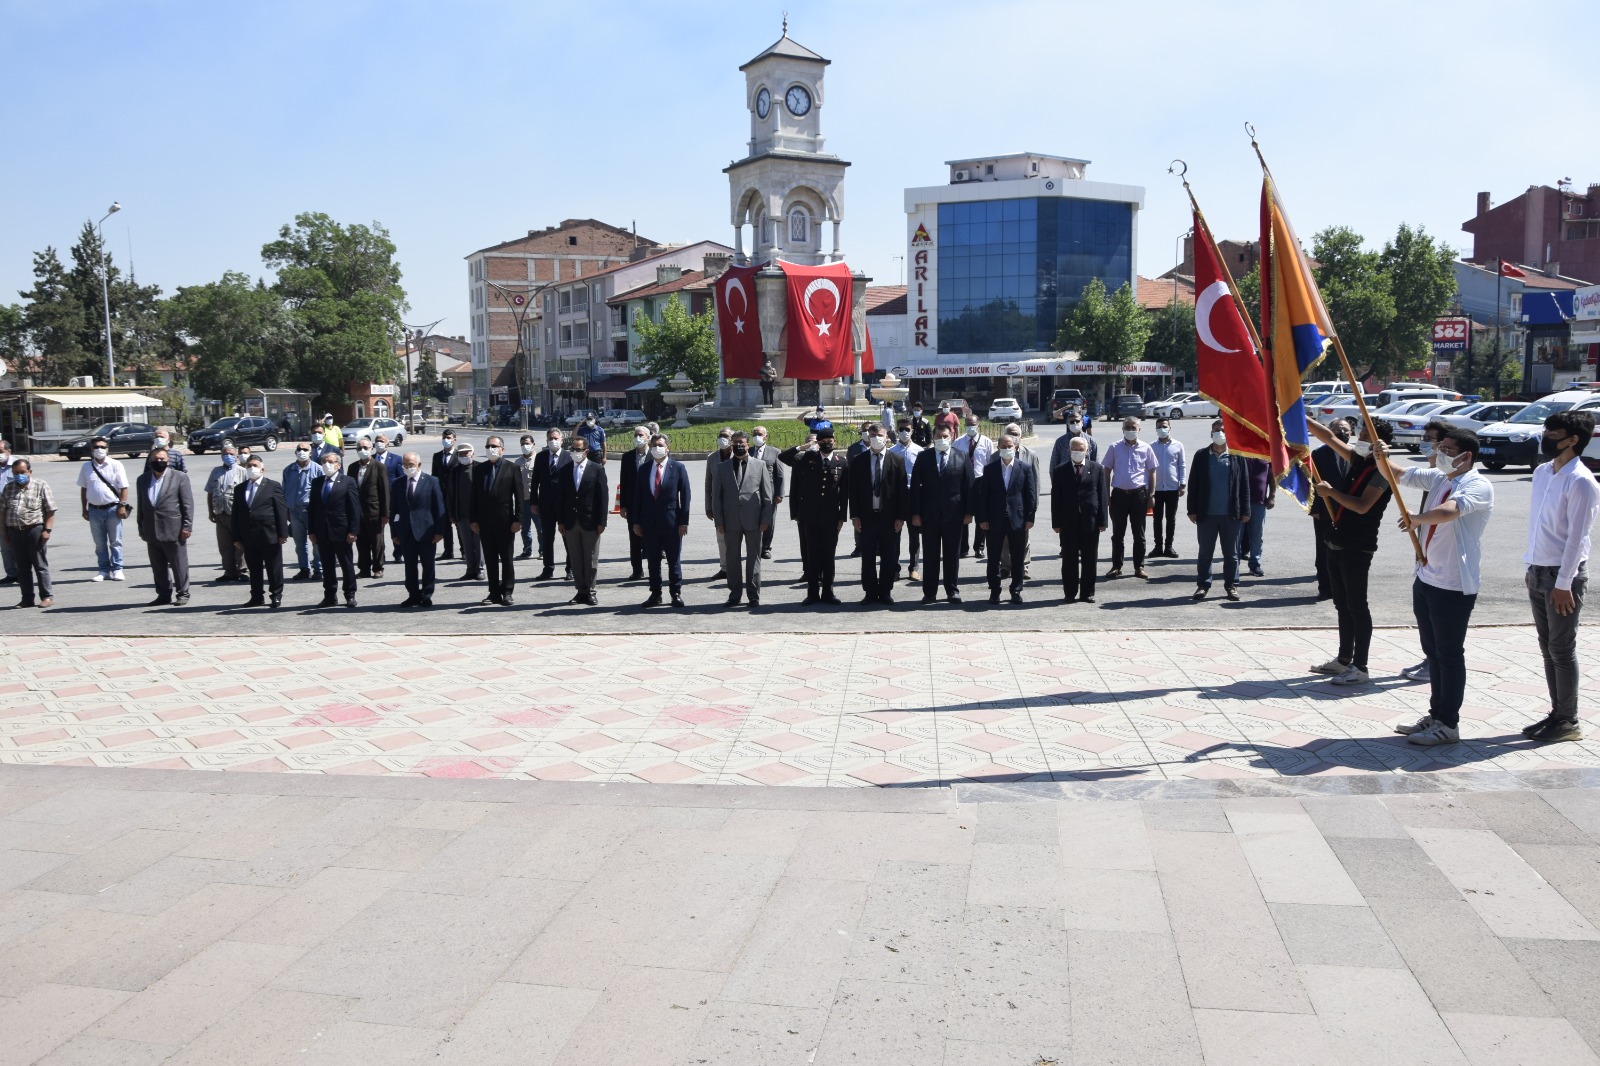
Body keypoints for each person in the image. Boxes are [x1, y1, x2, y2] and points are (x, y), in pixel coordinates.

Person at [1373, 428, 1494, 747]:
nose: (1440, 452)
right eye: (1440, 447)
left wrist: (1418, 518)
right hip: (1427, 576)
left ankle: (1449, 723)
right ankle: (1436, 715)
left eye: (1447, 449)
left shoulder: (1477, 484)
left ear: (1466, 456)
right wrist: (1380, 456)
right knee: (1433, 653)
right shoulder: (1441, 477)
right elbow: (1397, 474)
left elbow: (1451, 511)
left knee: (1450, 653)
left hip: (1454, 583)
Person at [1520, 410, 1600, 743]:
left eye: (1554, 434)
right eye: (1546, 431)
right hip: (1537, 571)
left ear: (1573, 440)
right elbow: (1540, 526)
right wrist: (1529, 566)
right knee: (1547, 647)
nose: (1546, 438)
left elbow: (1578, 537)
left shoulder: (1582, 481)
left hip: (1562, 577)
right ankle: (1556, 713)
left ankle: (1568, 720)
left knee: (1562, 649)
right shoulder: (1542, 472)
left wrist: (1564, 584)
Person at [1308, 418, 1395, 686]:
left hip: (1358, 544)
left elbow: (1362, 506)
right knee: (1341, 604)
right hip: (1337, 539)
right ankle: (1344, 659)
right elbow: (1328, 438)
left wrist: (1331, 493)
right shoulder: (1358, 459)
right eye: (1361, 433)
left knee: (1357, 606)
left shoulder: (1383, 471)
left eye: (1368, 435)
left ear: (1381, 442)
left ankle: (1361, 666)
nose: (1360, 438)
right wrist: (1297, 409)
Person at [1398, 420, 1452, 681]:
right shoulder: (1433, 475)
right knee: (1424, 614)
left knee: (1437, 618)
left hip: (1443, 561)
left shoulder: (1450, 479)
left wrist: (1418, 519)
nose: (1426, 443)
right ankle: (1429, 658)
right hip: (1424, 550)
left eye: (1431, 439)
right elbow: (1398, 473)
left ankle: (1436, 663)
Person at [780, 421, 849, 605]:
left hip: (831, 517)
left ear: (834, 441)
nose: (827, 443)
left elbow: (845, 493)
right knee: (812, 555)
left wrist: (842, 517)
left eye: (830, 440)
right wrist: (802, 447)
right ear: (818, 442)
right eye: (823, 440)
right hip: (809, 516)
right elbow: (783, 457)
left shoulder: (841, 462)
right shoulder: (806, 459)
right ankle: (812, 593)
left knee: (829, 555)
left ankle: (828, 591)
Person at [1186, 420, 1250, 602]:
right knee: (1205, 553)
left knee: (1232, 554)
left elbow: (1245, 485)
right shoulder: (1201, 456)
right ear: (1211, 433)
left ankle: (1231, 585)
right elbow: (1194, 484)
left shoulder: (1237, 456)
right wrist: (1192, 510)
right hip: (1207, 514)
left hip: (1232, 515)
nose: (1220, 433)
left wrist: (1245, 511)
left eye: (1223, 431)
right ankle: (1203, 585)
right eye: (1216, 430)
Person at [910, 424, 973, 604]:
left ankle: (952, 590)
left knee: (952, 555)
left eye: (945, 435)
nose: (942, 438)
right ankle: (929, 592)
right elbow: (915, 487)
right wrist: (915, 513)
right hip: (929, 516)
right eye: (938, 435)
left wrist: (969, 512)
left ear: (952, 436)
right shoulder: (923, 457)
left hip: (954, 515)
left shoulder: (961, 456)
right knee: (930, 555)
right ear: (933, 437)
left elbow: (969, 486)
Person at [712, 430, 775, 608]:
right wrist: (719, 521)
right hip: (730, 520)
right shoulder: (722, 467)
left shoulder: (760, 465)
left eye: (742, 443)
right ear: (731, 445)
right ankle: (734, 594)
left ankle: (753, 595)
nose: (739, 445)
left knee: (753, 558)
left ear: (748, 445)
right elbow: (716, 497)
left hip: (754, 520)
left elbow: (767, 496)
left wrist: (765, 519)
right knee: (732, 558)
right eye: (735, 443)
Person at [847, 424, 907, 605]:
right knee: (868, 557)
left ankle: (886, 591)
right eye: (872, 434)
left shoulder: (896, 460)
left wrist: (900, 517)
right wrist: (855, 516)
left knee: (889, 556)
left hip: (889, 518)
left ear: (887, 437)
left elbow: (902, 491)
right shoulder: (859, 460)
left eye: (879, 434)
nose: (875, 438)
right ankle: (870, 592)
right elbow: (854, 491)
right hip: (866, 517)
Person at [633, 434, 690, 608]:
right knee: (653, 560)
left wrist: (683, 522)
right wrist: (636, 522)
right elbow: (638, 497)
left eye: (660, 445)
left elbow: (685, 496)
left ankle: (676, 593)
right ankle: (655, 594)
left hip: (672, 523)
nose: (656, 448)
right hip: (649, 523)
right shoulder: (644, 469)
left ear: (667, 448)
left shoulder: (678, 468)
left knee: (673, 560)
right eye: (654, 445)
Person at [978, 432, 1035, 604]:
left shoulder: (1024, 468)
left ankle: (1016, 591)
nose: (1007, 449)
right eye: (1003, 446)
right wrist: (983, 518)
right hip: (994, 520)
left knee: (1017, 558)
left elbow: (1030, 495)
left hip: (1017, 520)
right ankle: (994, 591)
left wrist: (1030, 517)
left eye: (1010, 446)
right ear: (998, 448)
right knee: (993, 558)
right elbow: (983, 497)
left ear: (1015, 447)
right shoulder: (990, 469)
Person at [470, 435, 526, 606]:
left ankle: (507, 591)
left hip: (506, 522)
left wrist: (518, 519)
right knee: (490, 559)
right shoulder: (479, 469)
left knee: (507, 559)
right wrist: (473, 519)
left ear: (502, 449)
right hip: (485, 523)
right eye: (488, 446)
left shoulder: (512, 468)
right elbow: (474, 496)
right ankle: (494, 592)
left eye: (494, 446)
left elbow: (519, 495)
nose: (491, 449)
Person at [1051, 435, 1108, 603]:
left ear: (1087, 451)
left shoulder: (1097, 468)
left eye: (1080, 449)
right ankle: (1070, 592)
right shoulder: (1060, 470)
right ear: (1069, 451)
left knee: (1090, 559)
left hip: (1090, 521)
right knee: (1069, 559)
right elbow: (1056, 499)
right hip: (1068, 522)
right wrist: (1056, 522)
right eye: (1074, 449)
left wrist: (1103, 521)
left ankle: (1087, 592)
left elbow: (1102, 496)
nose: (1077, 452)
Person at [134, 446, 194, 607]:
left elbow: (187, 504)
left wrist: (187, 526)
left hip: (174, 529)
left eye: (162, 459)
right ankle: (163, 594)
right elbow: (141, 505)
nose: (159, 462)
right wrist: (141, 526)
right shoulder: (143, 480)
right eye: (155, 459)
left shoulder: (179, 477)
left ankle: (183, 593)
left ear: (168, 461)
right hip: (151, 529)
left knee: (178, 564)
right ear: (150, 461)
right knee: (158, 567)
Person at [552, 436, 608, 605]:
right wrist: (560, 521)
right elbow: (560, 498)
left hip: (590, 521)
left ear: (586, 451)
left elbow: (602, 497)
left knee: (590, 558)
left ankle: (590, 591)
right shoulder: (565, 469)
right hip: (570, 522)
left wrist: (601, 521)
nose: (575, 452)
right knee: (575, 558)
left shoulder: (597, 469)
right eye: (573, 449)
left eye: (578, 449)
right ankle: (580, 591)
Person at [391, 451, 447, 608]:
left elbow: (439, 508)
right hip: (405, 532)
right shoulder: (397, 483)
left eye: (411, 465)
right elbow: (394, 510)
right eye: (405, 465)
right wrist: (394, 532)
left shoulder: (431, 481)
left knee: (428, 565)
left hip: (426, 531)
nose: (408, 468)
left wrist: (439, 531)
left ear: (419, 465)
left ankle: (427, 594)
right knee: (410, 565)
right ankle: (413, 595)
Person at [231, 455, 289, 609]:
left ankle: (276, 595)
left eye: (255, 465)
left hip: (270, 534)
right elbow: (236, 514)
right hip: (249, 536)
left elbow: (281, 511)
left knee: (273, 567)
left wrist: (283, 533)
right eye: (249, 465)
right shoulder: (240, 489)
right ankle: (256, 596)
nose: (252, 468)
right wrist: (236, 536)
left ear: (262, 469)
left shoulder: (272, 486)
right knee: (254, 568)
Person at [1103, 417, 1157, 579]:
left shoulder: (1146, 448)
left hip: (1139, 495)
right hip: (1119, 495)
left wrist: (1151, 495)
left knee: (1139, 535)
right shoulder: (1114, 447)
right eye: (1127, 427)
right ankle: (1116, 566)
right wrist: (1107, 495)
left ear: (1139, 430)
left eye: (1133, 427)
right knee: (1118, 534)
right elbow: (1106, 471)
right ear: (1122, 429)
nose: (1130, 430)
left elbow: (1152, 472)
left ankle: (1139, 566)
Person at [1308, 417, 1354, 602]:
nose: (1343, 433)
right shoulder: (1319, 454)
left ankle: (1343, 588)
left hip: (1350, 511)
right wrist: (1314, 508)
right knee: (1324, 551)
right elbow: (1312, 482)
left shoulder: (1357, 454)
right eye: (1338, 429)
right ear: (1330, 432)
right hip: (1325, 511)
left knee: (1347, 551)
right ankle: (1325, 588)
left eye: (1347, 431)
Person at [307, 450, 360, 608]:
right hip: (322, 531)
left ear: (338, 464)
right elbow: (313, 508)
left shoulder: (347, 481)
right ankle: (330, 595)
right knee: (327, 565)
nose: (327, 465)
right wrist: (312, 531)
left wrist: (353, 531)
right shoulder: (317, 482)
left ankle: (350, 594)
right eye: (324, 462)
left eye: (330, 462)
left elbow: (355, 508)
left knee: (346, 564)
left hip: (342, 531)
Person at [2, 459, 56, 608]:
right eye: (16, 473)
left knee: (40, 565)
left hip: (34, 530)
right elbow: (3, 512)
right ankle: (27, 598)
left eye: (22, 472)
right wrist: (5, 533)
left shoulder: (40, 485)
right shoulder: (9, 488)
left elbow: (50, 510)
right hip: (15, 531)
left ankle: (46, 596)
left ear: (29, 472)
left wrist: (47, 530)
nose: (19, 475)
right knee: (22, 567)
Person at [76, 435, 130, 582]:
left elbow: (123, 487)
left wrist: (122, 506)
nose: (99, 449)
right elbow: (84, 488)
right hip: (94, 510)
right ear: (91, 449)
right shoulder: (86, 467)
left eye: (102, 447)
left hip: (113, 509)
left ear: (107, 449)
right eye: (96, 447)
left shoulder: (116, 465)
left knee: (115, 541)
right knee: (100, 543)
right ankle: (103, 570)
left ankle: (118, 569)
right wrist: (84, 508)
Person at [999, 421, 1039, 582]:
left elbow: (1035, 482)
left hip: (1022, 506)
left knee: (1024, 537)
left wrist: (1033, 507)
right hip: (1002, 506)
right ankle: (1005, 566)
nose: (1014, 437)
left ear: (1021, 437)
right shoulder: (996, 456)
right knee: (1004, 539)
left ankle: (1024, 566)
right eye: (1011, 434)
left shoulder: (1030, 454)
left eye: (1016, 434)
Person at [530, 429, 570, 582]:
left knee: (567, 536)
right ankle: (548, 568)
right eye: (550, 438)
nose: (553, 441)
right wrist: (534, 502)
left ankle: (570, 568)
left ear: (561, 440)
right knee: (547, 538)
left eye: (555, 438)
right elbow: (535, 482)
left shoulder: (568, 457)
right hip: (545, 504)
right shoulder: (540, 457)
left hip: (564, 504)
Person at [348, 437, 390, 580]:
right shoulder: (352, 467)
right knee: (361, 542)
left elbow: (384, 491)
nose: (362, 450)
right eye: (359, 448)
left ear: (371, 449)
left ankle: (378, 568)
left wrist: (385, 513)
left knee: (377, 542)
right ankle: (364, 569)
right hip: (357, 512)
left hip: (374, 511)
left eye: (365, 447)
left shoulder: (379, 467)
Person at [953, 413, 994, 559]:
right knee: (964, 514)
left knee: (981, 514)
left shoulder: (987, 442)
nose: (971, 427)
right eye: (968, 424)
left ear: (979, 425)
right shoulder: (958, 442)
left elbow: (990, 463)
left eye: (973, 424)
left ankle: (979, 547)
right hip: (963, 481)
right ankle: (963, 547)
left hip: (981, 480)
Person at [204, 444, 247, 581]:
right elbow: (210, 492)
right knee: (224, 545)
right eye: (225, 454)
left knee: (239, 544)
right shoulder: (216, 471)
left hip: (236, 514)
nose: (228, 456)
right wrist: (211, 511)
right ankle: (229, 571)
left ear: (236, 456)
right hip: (220, 512)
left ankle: (242, 571)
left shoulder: (243, 472)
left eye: (231, 454)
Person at [888, 418, 924, 582]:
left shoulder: (920, 451)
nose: (904, 432)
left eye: (907, 429)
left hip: (914, 495)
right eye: (901, 429)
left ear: (912, 431)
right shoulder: (892, 451)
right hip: (896, 496)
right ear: (897, 430)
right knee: (894, 533)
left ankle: (914, 567)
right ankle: (894, 567)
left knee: (914, 534)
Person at [282, 442, 324, 580]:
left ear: (311, 452)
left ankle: (318, 569)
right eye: (299, 449)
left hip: (311, 511)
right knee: (300, 543)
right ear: (295, 452)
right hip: (294, 511)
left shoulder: (318, 469)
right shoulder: (288, 470)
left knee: (316, 541)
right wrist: (286, 510)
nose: (302, 451)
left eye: (305, 449)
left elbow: (322, 492)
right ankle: (304, 569)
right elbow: (284, 491)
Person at [617, 425, 651, 580]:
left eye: (641, 435)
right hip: (632, 504)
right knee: (634, 539)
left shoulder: (655, 455)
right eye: (636, 435)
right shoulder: (628, 457)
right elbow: (623, 482)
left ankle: (653, 569)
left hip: (651, 504)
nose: (638, 437)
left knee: (652, 539)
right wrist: (622, 505)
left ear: (648, 437)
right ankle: (637, 570)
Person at [1149, 417, 1185, 558]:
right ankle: (1158, 546)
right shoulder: (1152, 446)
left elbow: (1182, 465)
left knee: (1171, 518)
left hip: (1172, 488)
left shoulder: (1178, 445)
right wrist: (1149, 488)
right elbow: (1148, 467)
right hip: (1156, 488)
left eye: (1164, 426)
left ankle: (1169, 546)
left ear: (1170, 427)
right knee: (1157, 519)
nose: (1162, 429)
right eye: (1159, 427)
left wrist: (1182, 484)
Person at [749, 425, 784, 560]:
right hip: (751, 493)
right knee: (752, 521)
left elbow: (780, 475)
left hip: (770, 493)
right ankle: (754, 547)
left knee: (769, 521)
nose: (757, 436)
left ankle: (766, 548)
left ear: (766, 436)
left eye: (759, 434)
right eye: (754, 434)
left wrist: (779, 493)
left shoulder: (775, 452)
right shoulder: (749, 451)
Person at [1237, 457, 1276, 577]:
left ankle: (1255, 565)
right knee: (1236, 536)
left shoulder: (1265, 453)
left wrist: (1272, 495)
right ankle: (1233, 565)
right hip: (1239, 502)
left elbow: (1271, 475)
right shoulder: (1239, 452)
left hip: (1259, 502)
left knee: (1257, 536)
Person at [705, 428, 734, 580]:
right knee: (721, 538)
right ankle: (725, 568)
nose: (722, 439)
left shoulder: (741, 455)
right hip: (719, 506)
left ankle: (738, 569)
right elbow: (708, 484)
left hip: (738, 506)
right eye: (720, 436)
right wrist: (708, 507)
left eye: (726, 436)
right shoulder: (712, 458)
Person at [432, 429, 458, 559]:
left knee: (459, 523)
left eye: (449, 437)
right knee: (446, 524)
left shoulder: (459, 456)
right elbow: (434, 476)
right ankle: (448, 551)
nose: (446, 440)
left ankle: (464, 551)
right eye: (444, 437)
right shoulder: (437, 456)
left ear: (454, 440)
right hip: (442, 495)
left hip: (456, 495)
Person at [514, 433, 540, 561]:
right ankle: (527, 550)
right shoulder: (517, 462)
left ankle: (543, 550)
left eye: (527, 443)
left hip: (536, 500)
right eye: (523, 444)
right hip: (522, 500)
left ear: (533, 444)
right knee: (525, 528)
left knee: (540, 528)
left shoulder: (539, 460)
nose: (525, 446)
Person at [0, 440, 15, 585]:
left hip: (15, 509)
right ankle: (11, 573)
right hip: (0, 510)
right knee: (4, 543)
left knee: (19, 542)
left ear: (8, 451)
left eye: (0, 451)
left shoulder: (18, 464)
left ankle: (23, 571)